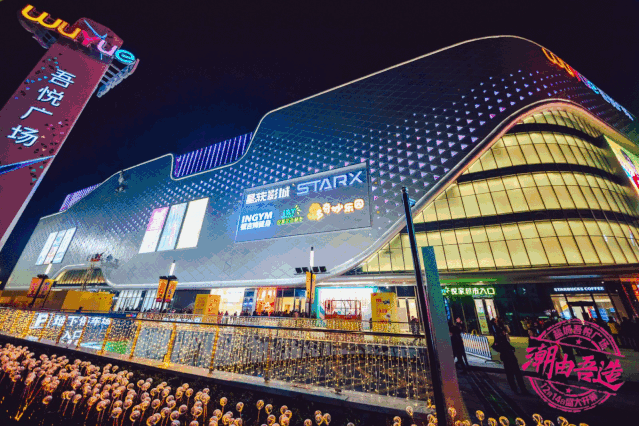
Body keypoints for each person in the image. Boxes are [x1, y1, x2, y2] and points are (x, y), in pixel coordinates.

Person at [493, 329, 529, 395]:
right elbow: (498, 346)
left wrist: (511, 348)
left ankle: (519, 389)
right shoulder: (500, 339)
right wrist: (508, 349)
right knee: (513, 374)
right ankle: (518, 389)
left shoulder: (503, 338)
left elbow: (505, 346)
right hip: (507, 357)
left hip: (509, 356)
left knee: (514, 374)